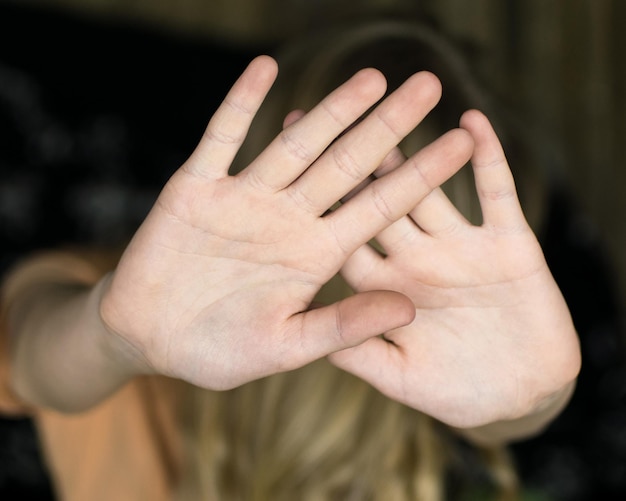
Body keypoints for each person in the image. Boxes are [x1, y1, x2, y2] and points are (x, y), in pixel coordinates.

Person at [0, 21, 580, 501]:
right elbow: (36, 359)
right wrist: (113, 341)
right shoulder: (129, 302)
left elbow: (499, 405)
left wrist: (537, 403)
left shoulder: (436, 387)